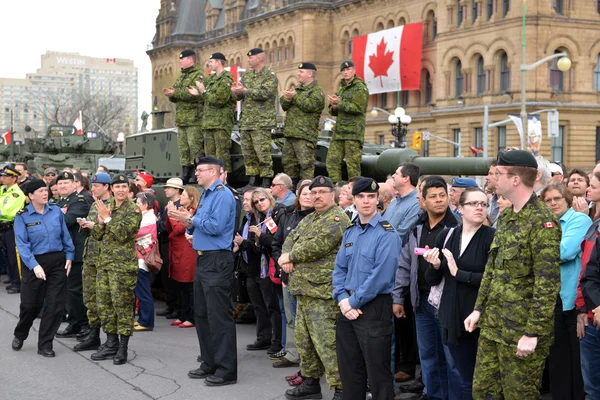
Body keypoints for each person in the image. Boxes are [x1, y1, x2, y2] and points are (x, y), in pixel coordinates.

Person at [464, 150, 561, 399]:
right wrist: (478, 308)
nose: (494, 178)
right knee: (483, 392)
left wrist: (532, 333)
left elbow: (547, 284)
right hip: (493, 325)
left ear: (515, 179)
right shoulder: (507, 217)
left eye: (499, 173)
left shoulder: (543, 222)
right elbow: (493, 268)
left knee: (519, 395)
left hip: (520, 331)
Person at [279, 175, 350, 400]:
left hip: (323, 293)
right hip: (304, 290)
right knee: (305, 341)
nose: (316, 196)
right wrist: (286, 255)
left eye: (321, 192)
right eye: (313, 192)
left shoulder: (337, 219)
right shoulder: (310, 218)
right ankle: (310, 383)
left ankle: (342, 388)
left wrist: (290, 256)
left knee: (327, 344)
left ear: (332, 194)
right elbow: (290, 239)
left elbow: (316, 247)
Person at [168, 156, 237, 386]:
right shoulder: (208, 194)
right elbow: (203, 223)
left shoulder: (223, 194)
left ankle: (226, 370)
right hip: (204, 259)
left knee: (218, 317)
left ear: (214, 172)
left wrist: (190, 219)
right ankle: (209, 362)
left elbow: (216, 227)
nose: (196, 174)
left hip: (217, 260)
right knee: (203, 314)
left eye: (200, 170)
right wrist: (188, 221)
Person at [423, 187, 496, 400]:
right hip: (452, 316)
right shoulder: (447, 235)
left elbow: (494, 280)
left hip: (480, 316)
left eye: (483, 203)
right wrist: (435, 266)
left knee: (479, 379)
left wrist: (459, 273)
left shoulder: (492, 237)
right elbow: (433, 280)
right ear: (461, 208)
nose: (480, 207)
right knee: (462, 376)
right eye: (474, 203)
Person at [332, 177, 401, 400]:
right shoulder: (351, 231)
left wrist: (352, 302)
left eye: (371, 197)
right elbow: (339, 269)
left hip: (373, 309)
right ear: (353, 200)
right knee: (350, 373)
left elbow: (380, 277)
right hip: (347, 308)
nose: (366, 201)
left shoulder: (387, 233)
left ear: (377, 200)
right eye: (361, 197)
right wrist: (342, 298)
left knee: (378, 375)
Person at [393, 176, 461, 400]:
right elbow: (405, 264)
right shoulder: (417, 228)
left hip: (448, 302)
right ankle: (433, 394)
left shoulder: (458, 226)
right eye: (433, 197)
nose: (439, 200)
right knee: (428, 355)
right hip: (421, 302)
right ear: (422, 200)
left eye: (442, 195)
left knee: (452, 357)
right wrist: (398, 297)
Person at [82, 174, 142, 365]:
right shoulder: (108, 207)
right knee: (105, 305)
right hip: (104, 264)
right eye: (118, 187)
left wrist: (107, 219)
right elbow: (98, 236)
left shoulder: (133, 209)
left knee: (121, 307)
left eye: (124, 187)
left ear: (129, 189)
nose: (121, 190)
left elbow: (123, 234)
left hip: (122, 267)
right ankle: (110, 343)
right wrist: (99, 223)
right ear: (112, 189)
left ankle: (122, 348)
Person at [12, 179, 75, 357]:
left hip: (57, 261)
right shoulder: (22, 216)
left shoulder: (55, 211)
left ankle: (45, 343)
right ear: (31, 196)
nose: (45, 193)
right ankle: (21, 333)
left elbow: (65, 236)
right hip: (34, 262)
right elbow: (22, 245)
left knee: (55, 305)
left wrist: (69, 256)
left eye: (45, 190)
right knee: (30, 305)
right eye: (40, 191)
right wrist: (34, 266)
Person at [540, 182, 591, 400]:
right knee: (557, 361)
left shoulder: (579, 219)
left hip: (574, 301)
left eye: (556, 199)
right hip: (552, 300)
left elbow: (565, 251)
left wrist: (538, 249)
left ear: (566, 199)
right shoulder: (545, 223)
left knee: (578, 364)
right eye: (548, 200)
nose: (552, 203)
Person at [270, 181, 314, 370]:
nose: (307, 197)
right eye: (303, 194)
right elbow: (277, 243)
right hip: (288, 276)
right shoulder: (288, 215)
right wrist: (282, 262)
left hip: (309, 279)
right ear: (297, 195)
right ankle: (293, 353)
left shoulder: (319, 218)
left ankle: (310, 359)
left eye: (310, 194)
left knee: (308, 321)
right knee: (291, 317)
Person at [233, 188, 283, 353]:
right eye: (253, 201)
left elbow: (274, 242)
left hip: (265, 269)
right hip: (251, 269)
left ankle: (276, 341)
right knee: (258, 306)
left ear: (269, 198)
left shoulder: (271, 217)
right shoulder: (251, 218)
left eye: (260, 200)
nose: (255, 203)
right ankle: (264, 338)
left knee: (272, 306)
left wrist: (251, 241)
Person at [73, 172, 112, 352]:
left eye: (97, 186)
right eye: (93, 185)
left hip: (105, 259)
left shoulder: (112, 206)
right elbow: (92, 231)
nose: (93, 189)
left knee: (105, 301)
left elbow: (112, 232)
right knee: (90, 298)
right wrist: (86, 226)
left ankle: (110, 339)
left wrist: (94, 226)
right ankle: (93, 334)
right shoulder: (95, 205)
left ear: (106, 187)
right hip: (90, 257)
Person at [232, 48, 278, 188]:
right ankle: (252, 179)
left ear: (259, 58)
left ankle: (265, 179)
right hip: (247, 121)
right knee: (248, 153)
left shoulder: (269, 75)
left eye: (251, 58)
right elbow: (241, 97)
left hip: (261, 122)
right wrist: (237, 91)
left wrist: (246, 90)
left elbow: (266, 93)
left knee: (262, 153)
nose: (248, 60)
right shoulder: (247, 76)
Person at [187, 52, 235, 172]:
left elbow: (220, 99)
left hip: (221, 123)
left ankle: (223, 181)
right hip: (208, 123)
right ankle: (212, 181)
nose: (209, 64)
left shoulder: (226, 78)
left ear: (219, 62)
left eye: (212, 62)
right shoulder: (211, 79)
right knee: (210, 156)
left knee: (221, 154)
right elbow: (207, 99)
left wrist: (203, 91)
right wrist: (198, 94)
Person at [163, 49, 205, 184]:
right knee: (183, 148)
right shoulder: (182, 77)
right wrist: (172, 95)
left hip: (194, 119)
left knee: (195, 148)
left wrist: (176, 92)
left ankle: (196, 173)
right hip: (182, 120)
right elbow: (178, 95)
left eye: (182, 59)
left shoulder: (198, 75)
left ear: (190, 60)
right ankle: (185, 172)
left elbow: (193, 93)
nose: (180, 61)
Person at [280, 62, 325, 185]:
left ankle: (306, 190)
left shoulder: (317, 91)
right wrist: (287, 98)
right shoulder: (297, 89)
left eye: (301, 72)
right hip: (290, 134)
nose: (298, 74)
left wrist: (295, 97)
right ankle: (291, 190)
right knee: (288, 164)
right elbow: (284, 105)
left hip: (305, 136)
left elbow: (310, 105)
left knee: (305, 165)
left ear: (310, 74)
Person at [326, 60, 368, 183]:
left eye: (348, 69)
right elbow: (334, 112)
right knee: (332, 161)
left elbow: (359, 108)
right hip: (339, 133)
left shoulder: (360, 88)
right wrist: (333, 105)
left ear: (354, 71)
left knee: (353, 165)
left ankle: (354, 189)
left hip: (353, 133)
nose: (345, 72)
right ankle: (336, 187)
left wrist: (340, 103)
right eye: (343, 70)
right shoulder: (341, 90)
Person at [166, 185, 200, 328]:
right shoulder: (183, 211)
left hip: (188, 252)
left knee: (189, 286)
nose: (181, 198)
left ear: (191, 199)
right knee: (181, 285)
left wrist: (172, 215)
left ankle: (191, 317)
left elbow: (179, 228)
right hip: (179, 251)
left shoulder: (192, 212)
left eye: (184, 195)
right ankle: (183, 314)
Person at [156, 177, 184, 320]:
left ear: (176, 190)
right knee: (166, 276)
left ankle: (176, 307)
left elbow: (170, 226)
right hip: (165, 241)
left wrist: (158, 225)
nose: (165, 190)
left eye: (168, 187)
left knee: (173, 276)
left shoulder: (178, 206)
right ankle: (171, 305)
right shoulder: (170, 204)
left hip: (170, 242)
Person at [133, 192, 158, 332]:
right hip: (140, 258)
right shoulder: (146, 216)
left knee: (143, 292)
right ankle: (143, 319)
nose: (136, 205)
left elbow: (135, 233)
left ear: (145, 204)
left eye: (138, 202)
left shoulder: (148, 218)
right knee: (141, 292)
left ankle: (147, 321)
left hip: (142, 260)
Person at [1, 166, 26, 294]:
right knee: (6, 255)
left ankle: (18, 283)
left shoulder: (17, 193)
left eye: (5, 176)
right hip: (3, 228)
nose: (2, 178)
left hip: (11, 227)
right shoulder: (3, 190)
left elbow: (9, 212)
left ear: (14, 178)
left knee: (14, 256)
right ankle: (13, 280)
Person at [382, 162, 421, 244]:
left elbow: (402, 234)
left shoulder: (416, 204)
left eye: (396, 174)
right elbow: (382, 224)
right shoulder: (394, 202)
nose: (393, 176)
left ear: (405, 178)